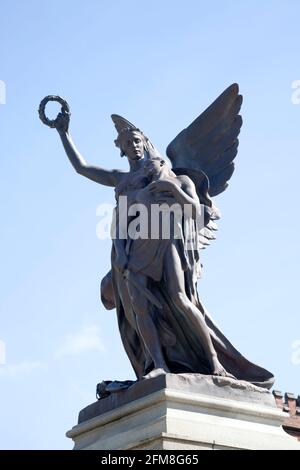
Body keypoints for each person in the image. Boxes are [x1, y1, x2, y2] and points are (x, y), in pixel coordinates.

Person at [54, 110, 275, 388]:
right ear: (121, 150)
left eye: (136, 140)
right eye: (126, 143)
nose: (133, 146)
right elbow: (83, 170)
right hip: (133, 247)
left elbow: (195, 211)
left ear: (145, 142)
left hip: (165, 240)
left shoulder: (175, 178)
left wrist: (171, 189)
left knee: (181, 299)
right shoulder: (121, 181)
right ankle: (158, 365)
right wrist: (64, 133)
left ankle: (215, 362)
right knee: (141, 307)